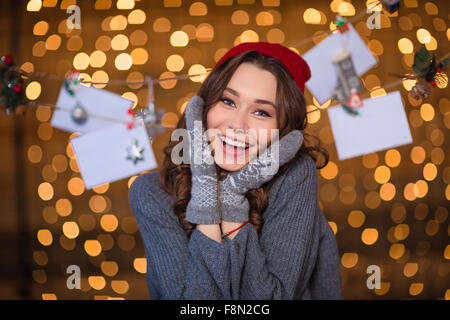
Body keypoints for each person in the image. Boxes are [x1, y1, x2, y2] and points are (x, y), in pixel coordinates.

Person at [128, 42, 342, 300]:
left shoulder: (295, 175)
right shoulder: (150, 193)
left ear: (283, 132)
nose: (238, 125)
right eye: (228, 101)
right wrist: (207, 192)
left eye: (261, 112)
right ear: (203, 108)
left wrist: (231, 198)